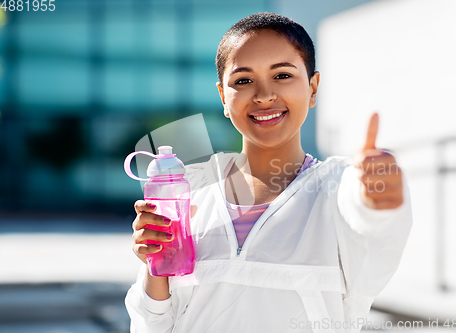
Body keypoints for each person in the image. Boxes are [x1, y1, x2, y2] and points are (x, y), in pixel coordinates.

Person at [125, 12, 412, 333]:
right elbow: (152, 323)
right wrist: (156, 264)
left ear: (313, 88)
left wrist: (375, 203)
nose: (263, 95)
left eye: (283, 75)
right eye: (243, 81)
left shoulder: (338, 186)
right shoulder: (191, 192)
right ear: (223, 96)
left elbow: (370, 227)